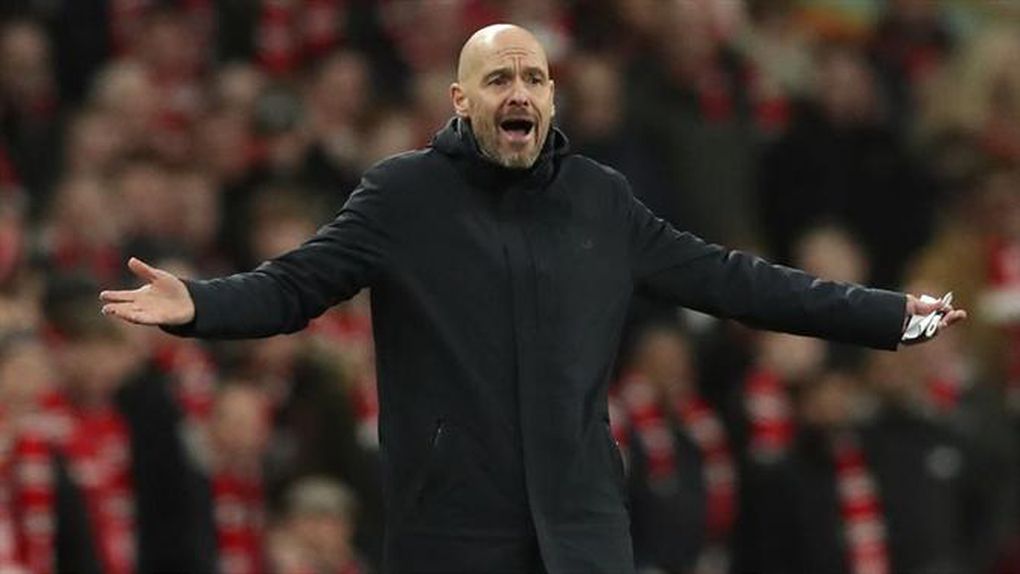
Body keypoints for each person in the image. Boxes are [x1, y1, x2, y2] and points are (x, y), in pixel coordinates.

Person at [100, 24, 966, 574]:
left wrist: (889, 315)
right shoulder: (401, 196)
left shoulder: (602, 201)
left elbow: (739, 282)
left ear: (551, 97)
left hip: (583, 528)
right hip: (452, 530)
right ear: (460, 100)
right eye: (497, 79)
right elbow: (294, 287)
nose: (518, 92)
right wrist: (200, 304)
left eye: (534, 78)